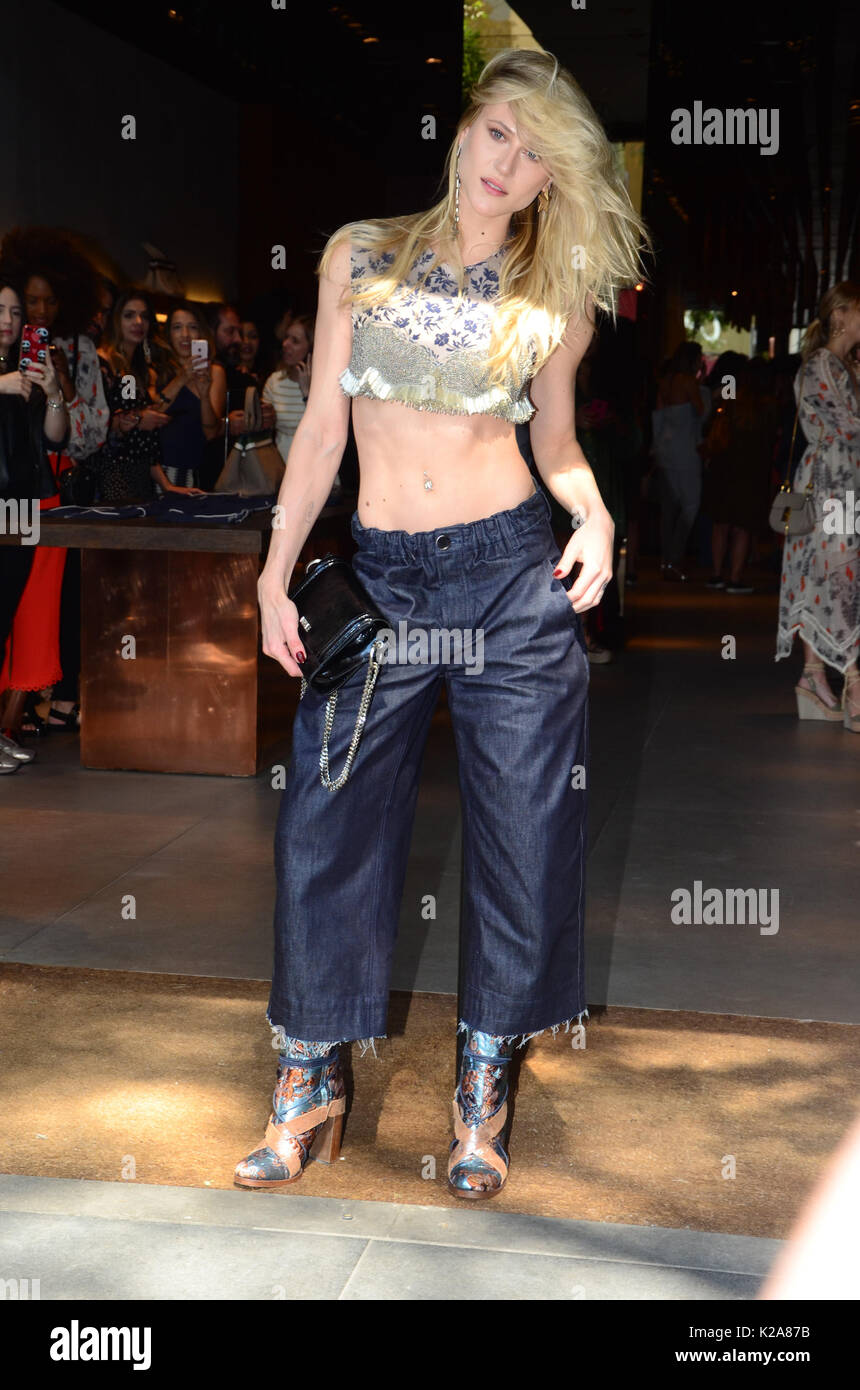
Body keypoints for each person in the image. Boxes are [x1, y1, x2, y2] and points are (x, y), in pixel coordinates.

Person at [234, 47, 648, 1199]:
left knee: (522, 833)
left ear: (550, 180)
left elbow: (554, 446)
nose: (505, 167)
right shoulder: (356, 256)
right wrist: (275, 577)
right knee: (322, 823)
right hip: (379, 584)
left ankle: (482, 1080)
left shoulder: (550, 297)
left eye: (533, 156)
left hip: (510, 579)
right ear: (462, 128)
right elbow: (320, 432)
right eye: (497, 134)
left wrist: (596, 520)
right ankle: (309, 1073)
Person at [776, 282, 860, 731]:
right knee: (843, 579)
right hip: (832, 486)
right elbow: (846, 425)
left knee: (831, 579)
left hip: (841, 485)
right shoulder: (823, 364)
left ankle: (815, 680)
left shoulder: (842, 364)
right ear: (841, 314)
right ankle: (853, 685)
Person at [0, 272, 70, 755]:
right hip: (2, 506)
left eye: (15, 312)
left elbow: (56, 437)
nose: (7, 320)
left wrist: (54, 391)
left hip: (27, 501)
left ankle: (6, 726)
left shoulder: (27, 366)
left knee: (20, 617)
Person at [97, 290, 204, 504]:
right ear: (116, 320)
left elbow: (144, 441)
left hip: (142, 477)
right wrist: (135, 419)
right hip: (110, 472)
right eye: (129, 315)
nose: (138, 322)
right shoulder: (102, 361)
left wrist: (166, 485)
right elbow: (94, 425)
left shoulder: (142, 370)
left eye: (144, 316)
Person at [701, 358, 778, 594]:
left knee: (721, 524)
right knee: (742, 527)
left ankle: (716, 575)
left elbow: (713, 424)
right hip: (750, 471)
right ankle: (735, 578)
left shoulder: (731, 398)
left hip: (724, 467)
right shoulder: (767, 405)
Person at [652, 339, 709, 580]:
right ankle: (674, 558)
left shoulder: (665, 383)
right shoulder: (689, 383)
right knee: (690, 504)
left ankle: (666, 560)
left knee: (669, 508)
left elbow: (659, 415)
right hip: (685, 449)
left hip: (665, 449)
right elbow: (702, 414)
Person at [155, 303, 221, 489]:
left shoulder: (215, 372)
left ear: (201, 334)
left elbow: (210, 433)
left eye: (192, 327)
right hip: (159, 469)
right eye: (177, 327)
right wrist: (182, 378)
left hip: (196, 470)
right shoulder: (158, 371)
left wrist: (204, 394)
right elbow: (152, 412)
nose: (185, 334)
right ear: (168, 334)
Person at [262, 313, 313, 464]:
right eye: (286, 337)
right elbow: (264, 431)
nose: (285, 344)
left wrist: (308, 393)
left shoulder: (325, 383)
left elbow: (325, 430)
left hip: (315, 464)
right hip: (281, 466)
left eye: (295, 341)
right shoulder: (274, 381)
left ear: (311, 348)